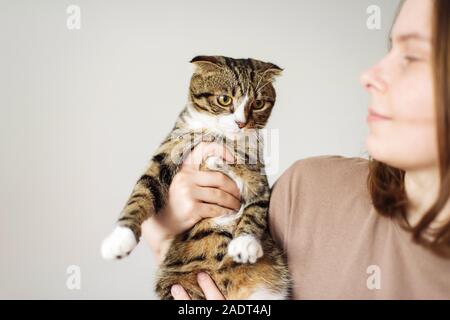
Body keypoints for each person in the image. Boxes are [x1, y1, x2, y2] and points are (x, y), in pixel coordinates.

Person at [142, 0, 450, 299]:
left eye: (411, 56)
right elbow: (200, 269)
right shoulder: (305, 190)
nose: (368, 76)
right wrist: (164, 230)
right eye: (390, 49)